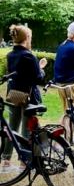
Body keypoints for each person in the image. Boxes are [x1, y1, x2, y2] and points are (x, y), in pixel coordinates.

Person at [2, 25, 47, 172]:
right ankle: (24, 162)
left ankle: (6, 160)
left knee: (12, 127)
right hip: (28, 96)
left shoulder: (10, 55)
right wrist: (41, 68)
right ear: (27, 38)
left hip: (14, 94)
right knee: (28, 129)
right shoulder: (28, 56)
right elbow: (38, 78)